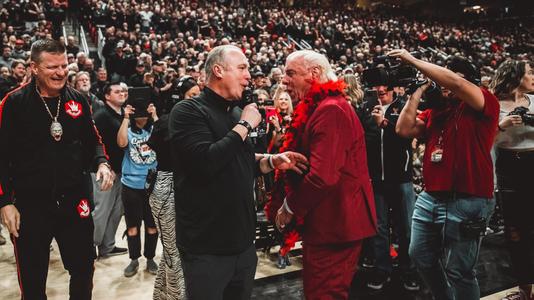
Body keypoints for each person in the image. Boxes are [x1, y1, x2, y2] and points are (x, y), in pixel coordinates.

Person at [168, 45, 308, 300]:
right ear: (218, 70)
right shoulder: (188, 111)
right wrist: (245, 125)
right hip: (207, 247)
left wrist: (271, 161)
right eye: (242, 68)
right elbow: (206, 162)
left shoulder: (234, 111)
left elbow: (239, 160)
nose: (248, 76)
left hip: (242, 244)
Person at [0, 38, 113, 299]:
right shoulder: (13, 103)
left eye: (64, 65)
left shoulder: (78, 100)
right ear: (34, 67)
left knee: (83, 268)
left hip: (75, 199)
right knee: (33, 278)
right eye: (52, 67)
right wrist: (5, 201)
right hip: (30, 203)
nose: (61, 72)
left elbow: (93, 140)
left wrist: (102, 162)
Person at [394, 50, 498, 300]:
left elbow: (457, 83)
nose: (444, 83)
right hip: (431, 196)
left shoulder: (485, 102)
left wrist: (414, 60)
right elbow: (403, 128)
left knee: (459, 270)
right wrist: (416, 93)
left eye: (450, 77)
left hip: (469, 197)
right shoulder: (436, 112)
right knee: (419, 255)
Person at [275, 50, 377, 299]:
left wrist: (290, 206)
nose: (284, 81)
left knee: (324, 293)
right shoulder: (325, 106)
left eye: (290, 73)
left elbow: (323, 176)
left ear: (315, 74)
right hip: (332, 220)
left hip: (336, 222)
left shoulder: (330, 109)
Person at [360, 84, 418, 291]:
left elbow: (408, 135)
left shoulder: (404, 106)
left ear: (393, 87)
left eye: (384, 84)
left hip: (401, 177)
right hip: (375, 179)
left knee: (407, 228)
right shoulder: (366, 108)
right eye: (375, 85)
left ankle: (408, 269)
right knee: (379, 227)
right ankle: (382, 269)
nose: (380, 89)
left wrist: (384, 123)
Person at [489, 60, 534, 300]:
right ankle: (525, 290)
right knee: (515, 231)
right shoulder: (493, 105)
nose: (533, 75)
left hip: (533, 161)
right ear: (516, 77)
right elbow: (483, 139)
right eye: (529, 72)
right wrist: (501, 125)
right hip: (508, 167)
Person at [117, 101, 159, 278]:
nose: (141, 114)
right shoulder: (127, 128)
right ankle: (134, 259)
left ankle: (150, 258)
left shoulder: (153, 129)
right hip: (131, 184)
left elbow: (166, 138)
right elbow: (121, 143)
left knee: (152, 226)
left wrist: (155, 116)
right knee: (132, 226)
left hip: (152, 185)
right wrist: (126, 117)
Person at [91, 82, 129, 259]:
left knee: (116, 210)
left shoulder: (124, 114)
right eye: (117, 91)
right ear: (107, 96)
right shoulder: (101, 116)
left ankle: (108, 246)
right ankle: (89, 247)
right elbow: (95, 144)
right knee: (101, 211)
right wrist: (106, 165)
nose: (122, 93)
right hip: (105, 170)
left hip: (121, 170)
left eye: (123, 91)